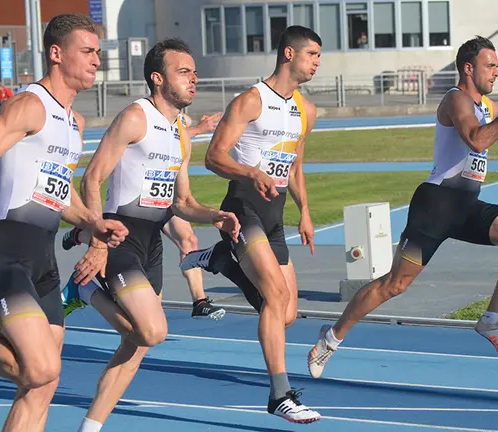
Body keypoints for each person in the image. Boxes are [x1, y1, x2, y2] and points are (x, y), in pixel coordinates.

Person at [0, 14, 129, 432]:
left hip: (43, 263)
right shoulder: (29, 105)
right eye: (88, 51)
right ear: (57, 54)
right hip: (3, 255)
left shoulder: (74, 124)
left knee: (43, 385)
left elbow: (59, 194)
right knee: (39, 369)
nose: (97, 60)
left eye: (98, 52)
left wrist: (93, 222)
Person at [306, 36, 498, 379]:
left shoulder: (487, 106)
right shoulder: (456, 99)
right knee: (394, 285)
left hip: (467, 206)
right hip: (435, 207)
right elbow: (477, 140)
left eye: (497, 66)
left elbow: (484, 136)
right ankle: (330, 338)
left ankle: (492, 319)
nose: (495, 72)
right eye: (490, 65)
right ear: (469, 68)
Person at [60, 38, 240, 432]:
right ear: (158, 78)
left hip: (151, 244)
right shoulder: (135, 117)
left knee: (136, 346)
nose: (194, 79)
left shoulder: (180, 132)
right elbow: (92, 178)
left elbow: (182, 202)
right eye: (184, 72)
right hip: (119, 237)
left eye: (194, 72)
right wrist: (98, 243)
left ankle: (90, 427)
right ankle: (86, 289)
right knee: (153, 331)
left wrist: (215, 215)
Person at [182, 25, 322, 423]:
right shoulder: (250, 100)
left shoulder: (306, 110)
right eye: (312, 54)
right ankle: (280, 394)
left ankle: (221, 261)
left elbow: (295, 166)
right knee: (274, 298)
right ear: (289, 54)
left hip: (275, 215)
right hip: (244, 206)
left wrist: (305, 212)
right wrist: (250, 173)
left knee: (286, 313)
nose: (317, 63)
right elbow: (213, 156)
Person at [60, 112, 228, 320]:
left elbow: (181, 130)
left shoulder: (179, 120)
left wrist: (190, 129)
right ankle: (81, 234)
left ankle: (199, 301)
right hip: (137, 202)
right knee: (140, 316)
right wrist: (198, 130)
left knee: (189, 239)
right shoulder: (140, 117)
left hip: (165, 201)